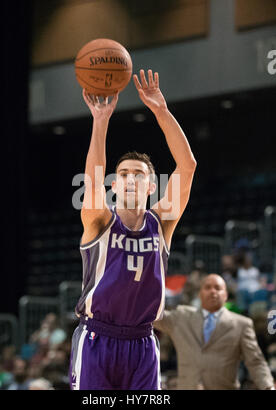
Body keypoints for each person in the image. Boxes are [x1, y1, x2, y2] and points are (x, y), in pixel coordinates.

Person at [69, 69, 197, 390]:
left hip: (142, 343)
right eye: (123, 173)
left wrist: (160, 110)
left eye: (138, 174)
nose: (129, 178)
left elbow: (187, 166)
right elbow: (94, 179)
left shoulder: (161, 222)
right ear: (116, 183)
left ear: (152, 184)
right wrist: (100, 120)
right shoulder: (99, 219)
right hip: (97, 338)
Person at [153, 274, 275, 390]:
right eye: (207, 287)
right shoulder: (181, 317)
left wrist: (268, 386)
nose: (213, 291)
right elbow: (151, 317)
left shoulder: (242, 325)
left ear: (225, 295)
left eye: (218, 288)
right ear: (200, 294)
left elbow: (255, 362)